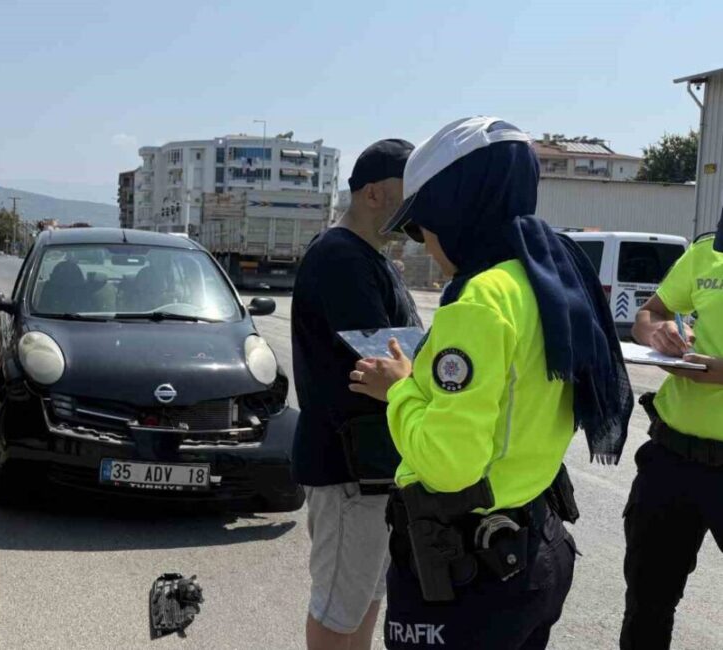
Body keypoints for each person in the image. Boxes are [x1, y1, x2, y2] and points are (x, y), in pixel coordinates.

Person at [350, 117, 633, 649]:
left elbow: (449, 464)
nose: (422, 243)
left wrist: (401, 389)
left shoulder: (478, 302)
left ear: (455, 211)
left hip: (468, 577)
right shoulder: (546, 274)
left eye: (420, 225)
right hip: (533, 546)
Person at [291, 139, 422, 650]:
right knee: (338, 608)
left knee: (365, 598)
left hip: (372, 468)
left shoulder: (372, 259)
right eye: (407, 192)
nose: (416, 205)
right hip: (348, 469)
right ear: (373, 193)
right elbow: (388, 361)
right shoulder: (340, 258)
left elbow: (407, 360)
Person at [620, 220, 723, 649]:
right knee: (648, 603)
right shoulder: (706, 254)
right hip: (672, 459)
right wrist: (657, 334)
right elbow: (650, 312)